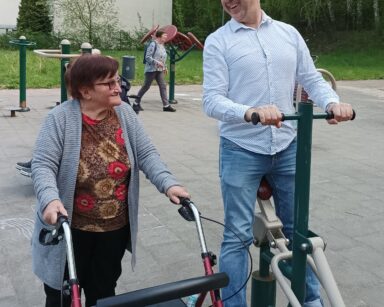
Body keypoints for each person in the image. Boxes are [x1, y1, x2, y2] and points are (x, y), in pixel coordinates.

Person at [202, 1, 354, 307]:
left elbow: (311, 79)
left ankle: (308, 300)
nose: (228, 1)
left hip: (286, 145)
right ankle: (232, 305)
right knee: (237, 235)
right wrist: (250, 112)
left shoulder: (288, 34)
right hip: (241, 148)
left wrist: (332, 103)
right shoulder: (219, 40)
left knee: (297, 230)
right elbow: (212, 100)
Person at [30, 54, 190, 307]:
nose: (119, 87)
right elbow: (43, 164)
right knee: (61, 296)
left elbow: (146, 153)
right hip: (69, 230)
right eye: (110, 83)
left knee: (103, 293)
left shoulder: (124, 113)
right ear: (85, 91)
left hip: (113, 229)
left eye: (118, 80)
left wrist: (168, 183)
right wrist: (50, 200)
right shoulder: (59, 119)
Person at [133, 30, 176, 113]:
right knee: (146, 86)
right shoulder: (153, 44)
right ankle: (136, 103)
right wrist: (157, 63)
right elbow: (147, 57)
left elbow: (162, 58)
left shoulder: (162, 45)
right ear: (159, 36)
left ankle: (166, 106)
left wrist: (165, 67)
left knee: (163, 86)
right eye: (164, 36)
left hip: (159, 70)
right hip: (151, 69)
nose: (166, 37)